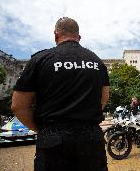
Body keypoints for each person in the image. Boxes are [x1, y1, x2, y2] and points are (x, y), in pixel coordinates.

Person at [11, 17, 110, 171]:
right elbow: (104, 99)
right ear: (79, 37)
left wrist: (41, 129)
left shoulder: (40, 59)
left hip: (53, 139)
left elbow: (18, 106)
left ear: (56, 35)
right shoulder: (97, 62)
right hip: (91, 138)